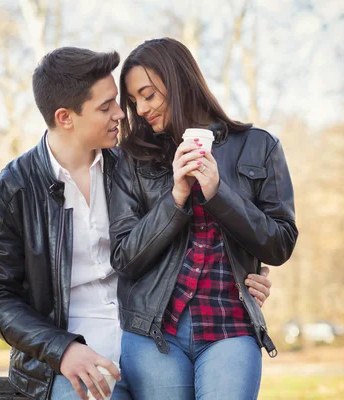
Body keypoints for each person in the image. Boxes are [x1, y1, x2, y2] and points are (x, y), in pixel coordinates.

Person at [0, 46, 274, 400]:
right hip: (75, 364)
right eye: (106, 107)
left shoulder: (139, 164)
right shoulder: (9, 192)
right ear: (66, 117)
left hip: (153, 343)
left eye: (118, 101)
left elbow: (195, 236)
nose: (122, 114)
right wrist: (62, 350)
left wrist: (248, 276)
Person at [109, 37, 298, 400]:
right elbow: (124, 258)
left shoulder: (259, 146)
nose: (142, 109)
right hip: (154, 332)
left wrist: (218, 193)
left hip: (230, 324)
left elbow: (280, 243)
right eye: (134, 101)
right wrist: (176, 197)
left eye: (148, 94)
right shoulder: (133, 158)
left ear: (177, 80)